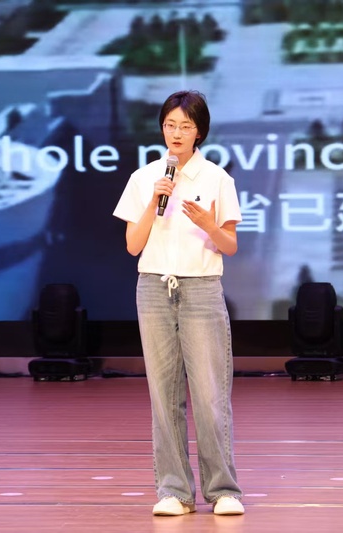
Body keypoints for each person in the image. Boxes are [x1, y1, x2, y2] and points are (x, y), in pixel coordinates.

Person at [113, 90, 245, 516]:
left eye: (185, 126)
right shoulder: (145, 178)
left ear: (199, 132)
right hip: (154, 288)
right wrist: (155, 200)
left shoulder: (217, 179)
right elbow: (133, 245)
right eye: (170, 125)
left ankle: (223, 490)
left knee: (209, 394)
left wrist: (209, 224)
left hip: (201, 288)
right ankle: (174, 491)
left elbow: (230, 245)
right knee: (164, 395)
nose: (176, 133)